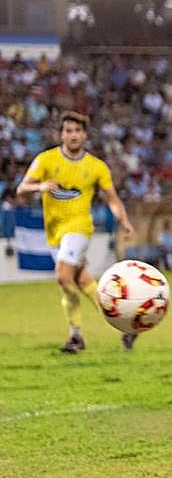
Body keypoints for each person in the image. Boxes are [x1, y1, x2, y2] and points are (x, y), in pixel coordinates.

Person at [16, 111, 137, 352]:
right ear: (61, 134)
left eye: (78, 131)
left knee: (62, 277)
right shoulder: (46, 160)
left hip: (79, 227)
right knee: (83, 282)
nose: (73, 135)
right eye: (68, 131)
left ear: (85, 136)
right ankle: (127, 328)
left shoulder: (96, 167)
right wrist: (40, 185)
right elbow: (21, 189)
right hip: (54, 232)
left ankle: (75, 336)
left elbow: (112, 199)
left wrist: (124, 220)